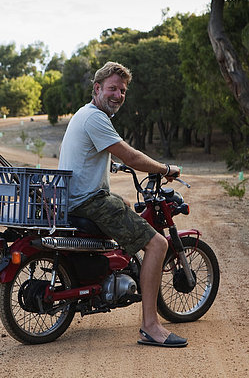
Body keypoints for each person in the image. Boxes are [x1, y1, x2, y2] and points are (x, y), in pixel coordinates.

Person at [58, 61, 187, 348]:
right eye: (112, 89)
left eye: (123, 90)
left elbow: (95, 152)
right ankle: (151, 326)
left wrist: (110, 164)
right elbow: (133, 157)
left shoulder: (84, 114)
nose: (118, 95)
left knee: (127, 202)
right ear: (97, 88)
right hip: (89, 202)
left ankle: (119, 268)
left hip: (75, 198)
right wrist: (165, 169)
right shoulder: (96, 118)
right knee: (158, 245)